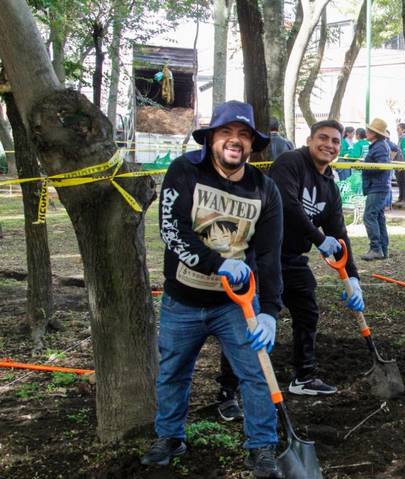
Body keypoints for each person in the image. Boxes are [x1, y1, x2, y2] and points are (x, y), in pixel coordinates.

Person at [142, 100, 285, 479]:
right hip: (183, 300)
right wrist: (218, 264)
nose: (235, 141)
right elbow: (172, 231)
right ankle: (169, 437)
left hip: (236, 305)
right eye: (226, 133)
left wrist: (270, 311)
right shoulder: (185, 170)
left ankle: (262, 447)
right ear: (212, 139)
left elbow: (270, 255)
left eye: (243, 135)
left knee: (256, 373)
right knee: (173, 371)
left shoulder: (264, 190)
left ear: (252, 145)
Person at [268, 119, 365, 395]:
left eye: (335, 141)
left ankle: (303, 378)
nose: (329, 145)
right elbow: (288, 205)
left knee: (307, 311)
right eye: (323, 138)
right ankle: (229, 391)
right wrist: (319, 239)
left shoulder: (330, 186)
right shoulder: (290, 163)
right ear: (310, 140)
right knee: (259, 319)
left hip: (293, 258)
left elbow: (339, 233)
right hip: (264, 255)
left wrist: (354, 278)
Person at [360, 118, 392, 261]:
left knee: (369, 216)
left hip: (378, 187)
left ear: (376, 133)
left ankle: (376, 249)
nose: (366, 132)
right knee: (378, 217)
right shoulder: (379, 145)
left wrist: (364, 166)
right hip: (378, 187)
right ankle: (382, 249)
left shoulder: (379, 146)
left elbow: (381, 166)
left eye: (369, 130)